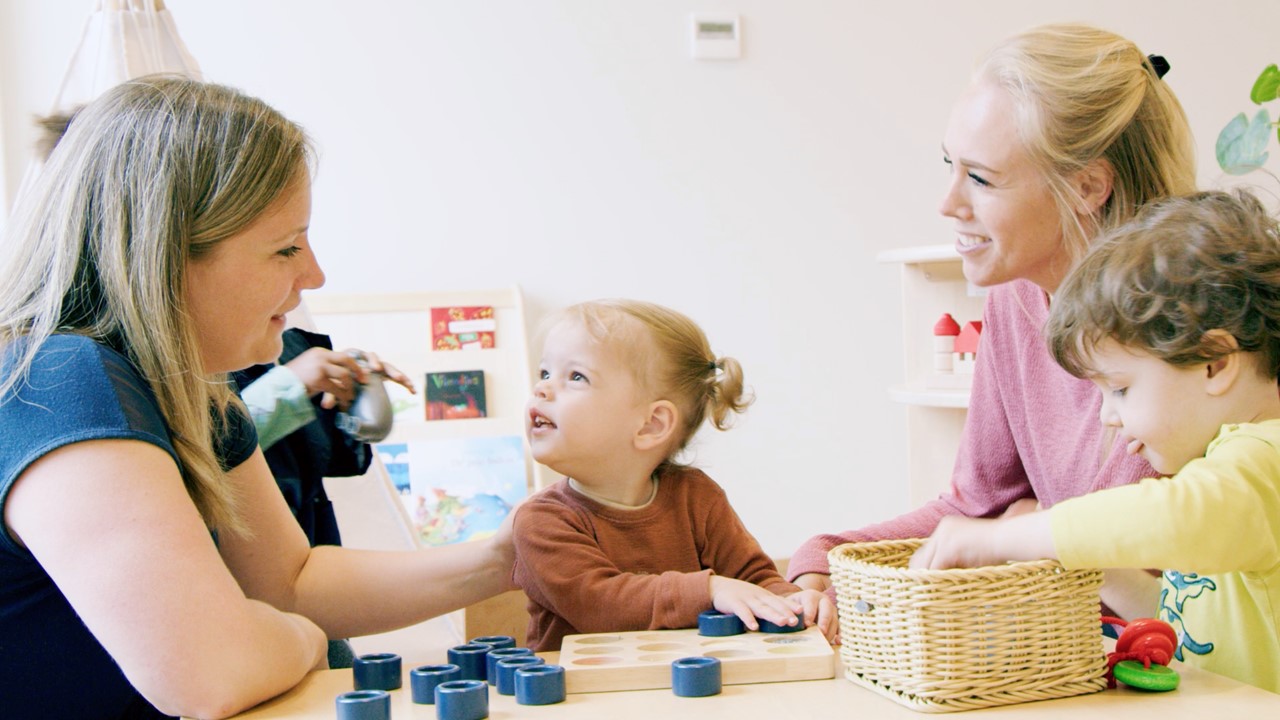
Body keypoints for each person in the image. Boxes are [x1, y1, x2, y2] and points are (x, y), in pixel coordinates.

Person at [0, 76, 514, 719]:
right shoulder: (59, 380)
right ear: (164, 254)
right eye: (285, 248)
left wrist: (507, 557)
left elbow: (291, 582)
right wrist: (301, 640)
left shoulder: (197, 395)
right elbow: (211, 669)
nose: (314, 274)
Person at [788, 23, 1198, 619]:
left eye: (980, 178)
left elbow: (1164, 561)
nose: (948, 203)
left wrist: (1037, 528)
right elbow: (978, 506)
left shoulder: (1194, 328)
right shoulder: (1017, 298)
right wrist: (829, 555)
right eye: (950, 165)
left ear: (1087, 186)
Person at [910, 189, 1280, 693]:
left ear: (1214, 363)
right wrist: (1094, 565)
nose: (1108, 415)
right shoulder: (1231, 473)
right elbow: (1197, 629)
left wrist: (999, 539)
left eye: (1121, 389)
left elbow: (1173, 515)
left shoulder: (1265, 459)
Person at [512, 299, 837, 651]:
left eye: (576, 377)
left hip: (691, 688)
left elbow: (753, 578)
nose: (541, 389)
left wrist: (793, 601)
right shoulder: (540, 520)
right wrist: (710, 590)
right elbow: (600, 605)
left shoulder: (696, 496)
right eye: (545, 373)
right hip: (581, 698)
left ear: (651, 424)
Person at [232, 330, 415, 669]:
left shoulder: (293, 345)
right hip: (236, 597)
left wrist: (351, 391)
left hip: (307, 560)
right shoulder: (166, 363)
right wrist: (286, 387)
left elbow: (330, 458)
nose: (311, 279)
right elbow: (202, 455)